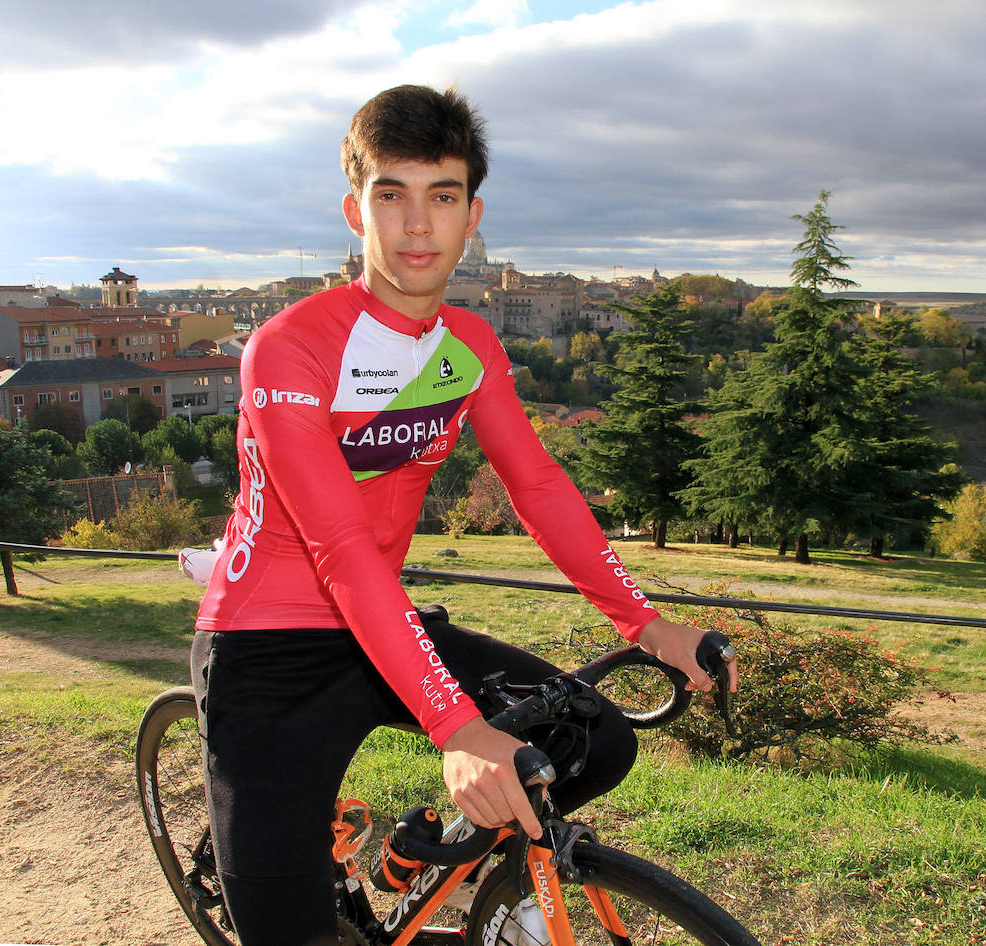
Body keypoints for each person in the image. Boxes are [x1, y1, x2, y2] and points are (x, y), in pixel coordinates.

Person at [190, 84, 737, 946]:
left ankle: (428, 863)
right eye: (392, 195)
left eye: (442, 197)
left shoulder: (470, 345)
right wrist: (458, 727)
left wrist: (646, 622)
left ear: (471, 216)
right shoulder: (289, 346)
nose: (418, 225)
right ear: (355, 211)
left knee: (595, 742)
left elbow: (539, 487)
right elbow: (339, 545)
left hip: (380, 626)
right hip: (267, 646)